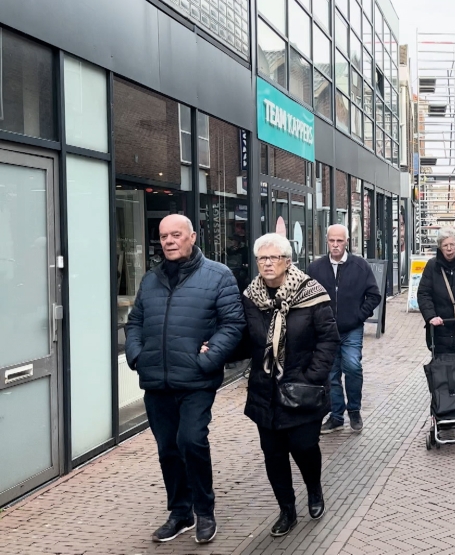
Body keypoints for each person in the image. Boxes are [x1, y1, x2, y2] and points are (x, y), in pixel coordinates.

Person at [124, 214, 245, 544]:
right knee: (167, 449)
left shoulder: (219, 275)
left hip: (195, 380)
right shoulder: (151, 280)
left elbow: (233, 324)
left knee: (190, 441)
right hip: (156, 381)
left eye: (176, 234)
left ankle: (204, 511)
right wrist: (136, 355)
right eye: (163, 236)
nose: (169, 241)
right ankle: (180, 513)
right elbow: (134, 322)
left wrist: (209, 358)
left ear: (192, 236)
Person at [240, 234, 340, 537]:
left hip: (302, 390)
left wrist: (311, 377)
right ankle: (286, 510)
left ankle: (314, 488)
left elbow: (328, 339)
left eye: (274, 258)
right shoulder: (251, 297)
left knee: (304, 446)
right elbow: (246, 340)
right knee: (273, 454)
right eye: (262, 259)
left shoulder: (311, 293)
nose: (267, 264)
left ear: (287, 261)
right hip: (265, 391)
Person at [307, 224, 381, 434]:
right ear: (327, 241)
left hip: (351, 329)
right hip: (325, 331)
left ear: (347, 241)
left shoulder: (360, 266)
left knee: (352, 366)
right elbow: (307, 298)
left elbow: (374, 295)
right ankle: (336, 415)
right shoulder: (315, 268)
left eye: (340, 241)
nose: (336, 245)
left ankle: (354, 410)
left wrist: (358, 316)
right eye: (332, 241)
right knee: (331, 374)